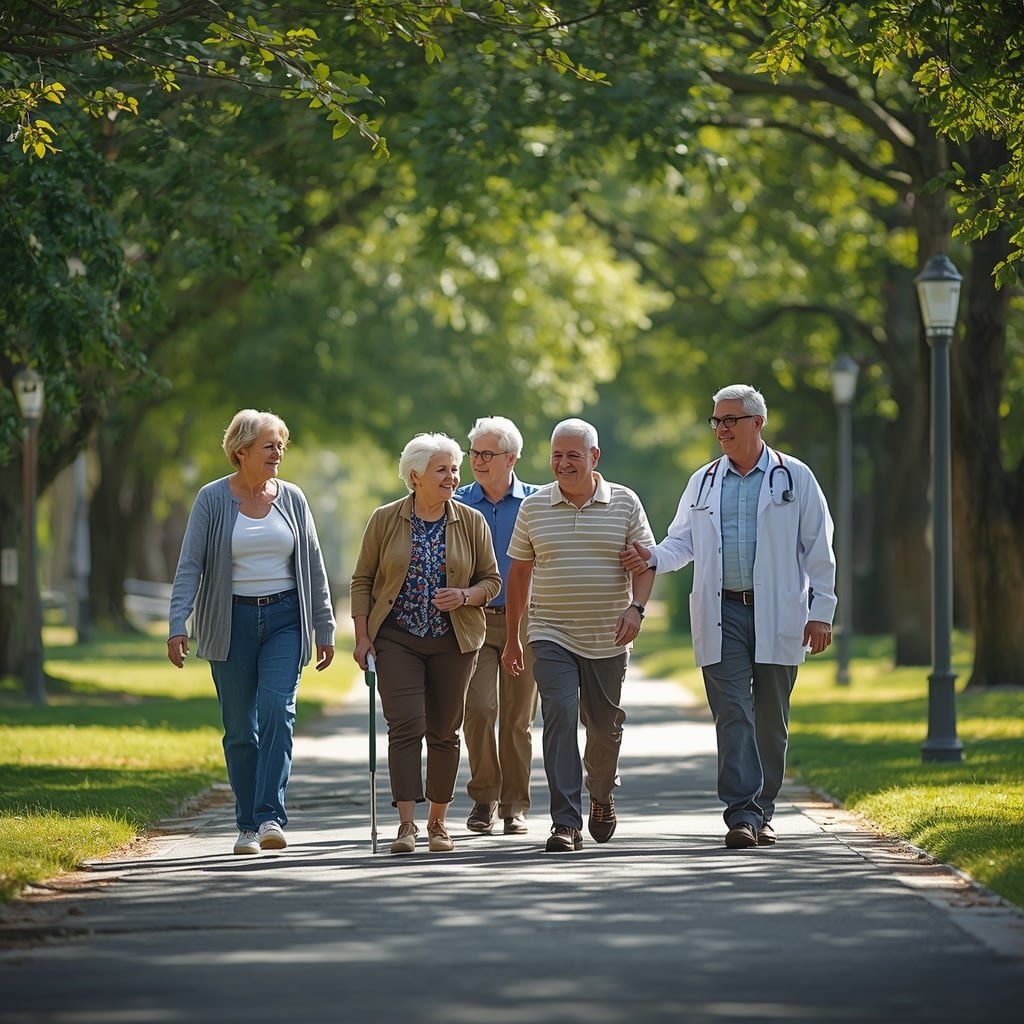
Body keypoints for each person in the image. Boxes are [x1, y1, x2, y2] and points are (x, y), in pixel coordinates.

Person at [621, 384, 836, 850]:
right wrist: (653, 556)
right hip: (722, 610)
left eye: (730, 420)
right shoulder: (703, 481)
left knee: (770, 720)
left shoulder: (795, 477)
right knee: (733, 712)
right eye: (716, 420)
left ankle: (764, 812)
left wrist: (821, 612)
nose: (720, 429)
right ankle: (742, 813)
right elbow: (682, 541)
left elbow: (819, 548)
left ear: (758, 422)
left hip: (779, 611)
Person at [167, 409, 336, 856]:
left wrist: (324, 625)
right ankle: (246, 825)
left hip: (285, 619)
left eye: (281, 445)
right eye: (269, 446)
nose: (278, 453)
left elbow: (314, 565)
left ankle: (269, 817)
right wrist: (177, 623)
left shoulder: (293, 498)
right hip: (230, 623)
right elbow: (190, 565)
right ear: (241, 452)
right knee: (241, 729)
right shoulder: (211, 499)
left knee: (278, 710)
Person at [502, 418, 656, 853]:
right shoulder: (534, 507)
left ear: (594, 457)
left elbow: (646, 563)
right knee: (559, 714)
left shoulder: (625, 502)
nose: (563, 463)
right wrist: (513, 638)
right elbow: (519, 575)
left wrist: (637, 608)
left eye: (573, 455)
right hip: (550, 632)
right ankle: (565, 822)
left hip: (608, 636)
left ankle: (602, 794)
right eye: (556, 455)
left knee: (604, 728)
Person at [350, 433, 502, 855]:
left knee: (444, 730)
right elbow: (362, 580)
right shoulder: (385, 519)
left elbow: (492, 580)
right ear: (415, 476)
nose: (453, 477)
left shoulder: (471, 521)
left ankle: (438, 822)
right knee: (405, 726)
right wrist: (362, 636)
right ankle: (406, 825)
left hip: (454, 640)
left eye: (455, 469)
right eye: (442, 470)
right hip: (397, 638)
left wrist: (465, 596)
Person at [454, 416, 540, 836]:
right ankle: (484, 797)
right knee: (478, 708)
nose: (477, 461)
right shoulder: (456, 502)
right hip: (474, 621)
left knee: (517, 719)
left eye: (487, 454)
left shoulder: (537, 502)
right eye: (474, 453)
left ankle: (514, 806)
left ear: (512, 458)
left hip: (524, 621)